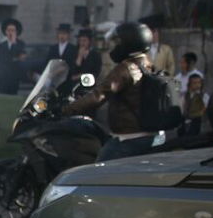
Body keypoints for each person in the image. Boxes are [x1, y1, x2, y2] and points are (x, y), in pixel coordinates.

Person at [64, 21, 166, 160]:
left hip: (129, 138)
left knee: (97, 170)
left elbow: (98, 95)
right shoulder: (148, 65)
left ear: (130, 43)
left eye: (119, 42)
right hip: (153, 136)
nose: (116, 46)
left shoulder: (126, 68)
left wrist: (67, 109)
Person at [0, 18, 26, 94]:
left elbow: (20, 56)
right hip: (4, 74)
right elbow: (1, 59)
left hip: (15, 74)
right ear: (5, 32)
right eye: (9, 30)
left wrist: (14, 43)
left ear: (16, 32)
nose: (10, 32)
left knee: (13, 93)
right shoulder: (2, 45)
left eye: (13, 30)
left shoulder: (20, 43)